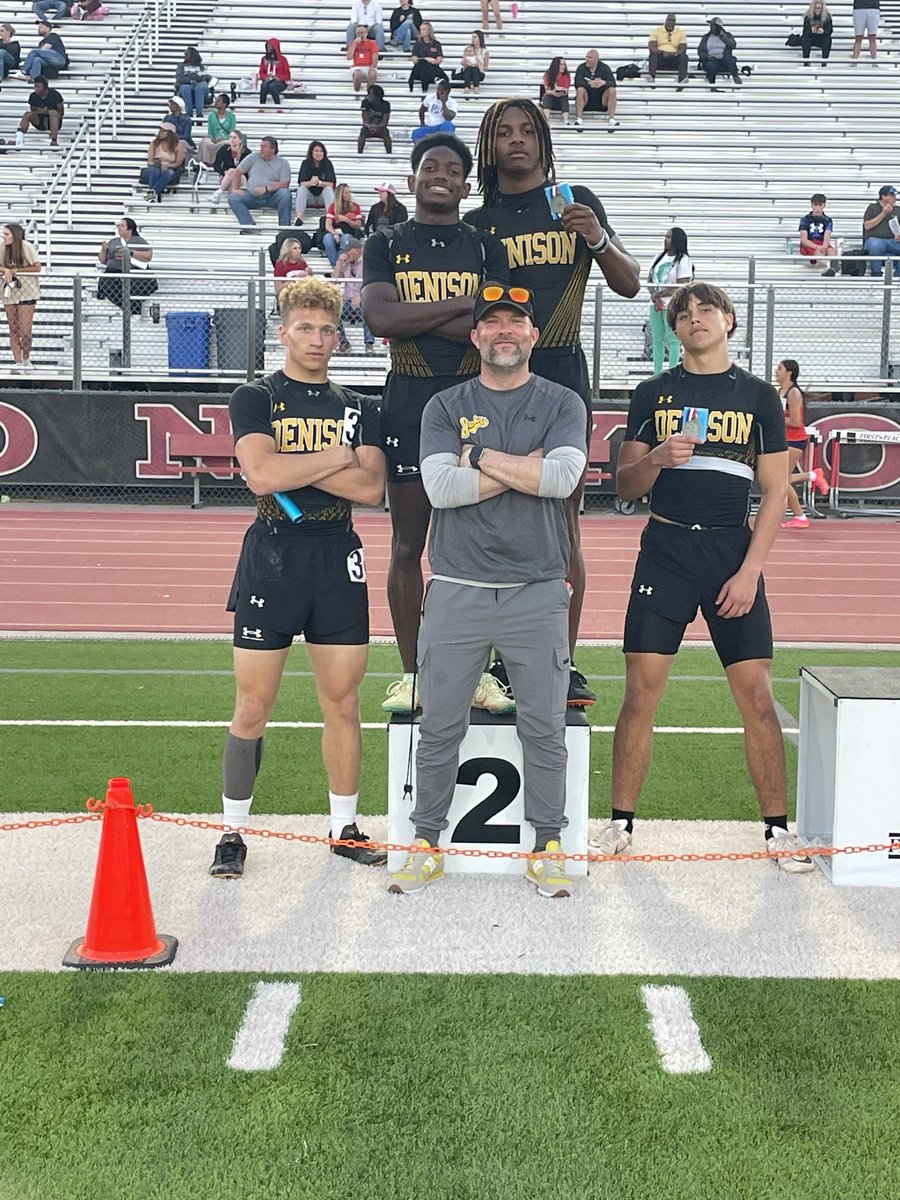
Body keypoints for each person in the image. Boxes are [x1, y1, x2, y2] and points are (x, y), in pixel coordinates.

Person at [598, 281, 813, 874]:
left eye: (706, 309)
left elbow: (775, 491)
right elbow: (623, 485)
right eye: (683, 313)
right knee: (641, 693)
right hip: (663, 551)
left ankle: (776, 830)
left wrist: (749, 571)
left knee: (757, 699)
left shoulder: (759, 397)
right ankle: (620, 823)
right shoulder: (651, 392)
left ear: (729, 320)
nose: (695, 319)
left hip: (729, 556)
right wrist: (654, 459)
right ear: (672, 327)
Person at [386, 282, 587, 897]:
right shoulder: (444, 405)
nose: (505, 331)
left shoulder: (562, 401)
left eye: (516, 323)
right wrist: (517, 463)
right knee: (439, 721)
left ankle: (547, 842)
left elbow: (563, 478)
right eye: (492, 323)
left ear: (533, 335)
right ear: (476, 337)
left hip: (538, 587)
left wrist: (476, 456)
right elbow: (441, 490)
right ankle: (426, 841)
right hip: (456, 586)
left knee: (544, 726)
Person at [209, 276, 387, 880]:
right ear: (283, 332)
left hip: (337, 555)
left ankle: (343, 827)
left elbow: (371, 488)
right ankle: (232, 831)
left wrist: (300, 469)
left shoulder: (361, 406)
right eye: (305, 328)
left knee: (342, 701)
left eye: (327, 329)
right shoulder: (255, 397)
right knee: (253, 703)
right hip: (274, 553)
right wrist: (336, 457)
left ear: (340, 335)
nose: (317, 339)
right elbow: (260, 476)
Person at [467, 98, 641, 705]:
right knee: (490, 520)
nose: (516, 140)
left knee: (561, 526)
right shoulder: (477, 220)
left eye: (527, 131)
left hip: (562, 374)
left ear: (543, 141)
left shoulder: (576, 203)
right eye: (504, 132)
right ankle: (493, 663)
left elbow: (629, 282)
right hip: (493, 379)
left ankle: (560, 663)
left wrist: (597, 238)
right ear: (489, 147)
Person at [361, 134, 509, 713]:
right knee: (406, 546)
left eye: (452, 168)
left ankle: (476, 672)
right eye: (430, 167)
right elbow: (378, 317)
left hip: (479, 407)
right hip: (409, 404)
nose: (440, 174)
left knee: (482, 548)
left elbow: (492, 327)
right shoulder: (386, 241)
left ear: (466, 184)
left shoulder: (483, 245)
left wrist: (415, 317)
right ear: (413, 177)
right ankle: (414, 671)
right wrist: (458, 309)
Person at [776, 358, 827, 529]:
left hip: (795, 440)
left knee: (781, 480)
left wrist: (775, 418)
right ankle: (812, 476)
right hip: (782, 439)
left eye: (779, 369)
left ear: (789, 372)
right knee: (780, 479)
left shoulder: (793, 393)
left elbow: (797, 421)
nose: (776, 371)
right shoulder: (779, 391)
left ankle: (800, 515)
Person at [647, 227, 694, 373]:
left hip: (673, 305)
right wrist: (654, 296)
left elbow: (683, 284)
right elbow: (649, 279)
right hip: (656, 305)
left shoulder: (683, 260)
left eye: (669, 237)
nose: (665, 240)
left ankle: (672, 371)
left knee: (672, 339)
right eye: (665, 236)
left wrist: (661, 294)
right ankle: (657, 372)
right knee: (657, 339)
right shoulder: (659, 257)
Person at [228, 136, 292, 229]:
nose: (261, 149)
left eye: (264, 147)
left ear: (273, 149)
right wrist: (235, 188)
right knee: (233, 197)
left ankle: (284, 228)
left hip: (272, 197)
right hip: (252, 196)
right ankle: (249, 226)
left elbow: (285, 183)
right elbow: (238, 171)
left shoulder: (283, 163)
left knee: (285, 194)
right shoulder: (253, 157)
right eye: (261, 146)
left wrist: (267, 189)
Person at [97, 217, 157, 316]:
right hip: (114, 270)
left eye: (122, 226)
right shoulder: (113, 241)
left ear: (130, 229)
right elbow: (103, 260)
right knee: (106, 283)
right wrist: (104, 249)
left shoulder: (138, 240)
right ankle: (125, 306)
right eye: (119, 226)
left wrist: (130, 253)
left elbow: (148, 256)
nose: (119, 228)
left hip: (133, 270)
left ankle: (133, 308)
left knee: (138, 285)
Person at [2, 222, 41, 373]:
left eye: (6, 234)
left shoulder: (26, 246)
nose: (4, 237)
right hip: (9, 290)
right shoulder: (2, 248)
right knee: (13, 328)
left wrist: (16, 270)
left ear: (15, 235)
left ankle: (26, 357)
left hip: (27, 290)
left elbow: (37, 267)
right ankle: (17, 361)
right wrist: (6, 270)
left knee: (25, 330)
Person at [333, 238, 375, 353]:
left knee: (368, 310)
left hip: (364, 300)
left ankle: (369, 344)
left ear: (357, 251)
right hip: (348, 300)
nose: (344, 253)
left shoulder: (368, 262)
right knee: (333, 312)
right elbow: (334, 280)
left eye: (347, 251)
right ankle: (343, 343)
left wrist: (361, 295)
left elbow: (372, 281)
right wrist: (339, 263)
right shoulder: (346, 263)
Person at [573, 49, 619, 130]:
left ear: (596, 59)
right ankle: (579, 119)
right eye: (586, 57)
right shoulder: (581, 68)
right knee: (580, 90)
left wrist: (603, 82)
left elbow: (613, 83)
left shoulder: (605, 68)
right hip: (586, 100)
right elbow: (577, 83)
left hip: (601, 100)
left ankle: (612, 119)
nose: (587, 59)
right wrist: (590, 83)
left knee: (612, 90)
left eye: (590, 57)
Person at [16, 75, 64, 149]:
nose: (35, 89)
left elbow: (61, 112)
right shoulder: (33, 96)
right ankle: (19, 139)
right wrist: (41, 111)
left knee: (53, 113)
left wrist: (48, 111)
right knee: (27, 114)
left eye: (38, 86)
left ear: (44, 87)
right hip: (40, 121)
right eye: (35, 86)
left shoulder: (55, 94)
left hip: (54, 121)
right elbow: (33, 110)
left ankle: (54, 140)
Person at [862, 185, 900, 277]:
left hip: (893, 240)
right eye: (891, 195)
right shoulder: (872, 208)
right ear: (883, 197)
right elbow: (867, 226)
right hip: (875, 239)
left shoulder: (898, 210)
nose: (894, 198)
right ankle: (876, 273)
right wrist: (884, 213)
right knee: (875, 245)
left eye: (895, 195)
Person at [323, 183, 363, 266]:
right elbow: (328, 225)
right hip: (336, 231)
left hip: (349, 232)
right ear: (341, 195)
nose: (349, 195)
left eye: (350, 192)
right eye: (347, 193)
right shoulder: (333, 207)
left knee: (346, 238)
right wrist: (334, 234)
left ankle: (340, 264)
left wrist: (346, 220)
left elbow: (358, 225)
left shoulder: (356, 207)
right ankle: (336, 264)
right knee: (327, 239)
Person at [295, 140, 337, 219]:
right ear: (311, 152)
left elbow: (331, 184)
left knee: (328, 189)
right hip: (310, 196)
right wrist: (311, 183)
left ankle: (331, 218)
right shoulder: (305, 163)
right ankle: (299, 217)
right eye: (316, 151)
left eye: (321, 151)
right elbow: (301, 183)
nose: (319, 153)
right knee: (301, 189)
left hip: (322, 197)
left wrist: (319, 183)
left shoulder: (327, 164)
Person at [144, 123, 185, 202]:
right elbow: (150, 161)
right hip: (155, 167)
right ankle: (154, 193)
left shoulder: (178, 145)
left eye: (164, 131)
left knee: (169, 173)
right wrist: (159, 165)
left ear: (170, 133)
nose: (160, 133)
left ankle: (152, 192)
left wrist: (168, 165)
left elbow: (178, 163)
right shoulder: (154, 143)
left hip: (170, 169)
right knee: (155, 171)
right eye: (160, 130)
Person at [798, 192, 837, 274]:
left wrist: (824, 247)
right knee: (819, 252)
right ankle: (829, 265)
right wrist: (817, 247)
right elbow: (804, 240)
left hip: (821, 242)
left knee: (831, 251)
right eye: (815, 205)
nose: (818, 208)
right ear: (812, 205)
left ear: (824, 205)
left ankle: (833, 265)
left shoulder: (828, 220)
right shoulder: (805, 220)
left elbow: (827, 236)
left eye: (820, 205)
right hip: (810, 243)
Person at [699, 17, 741, 89]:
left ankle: (736, 77)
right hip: (710, 60)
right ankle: (712, 86)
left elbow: (733, 45)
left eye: (713, 25)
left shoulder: (727, 35)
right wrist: (706, 57)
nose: (711, 27)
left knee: (731, 59)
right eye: (711, 25)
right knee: (711, 64)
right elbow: (700, 50)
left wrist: (723, 36)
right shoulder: (706, 37)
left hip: (724, 60)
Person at [210, 128, 249, 205]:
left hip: (242, 177)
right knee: (231, 175)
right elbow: (216, 165)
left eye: (234, 137)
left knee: (232, 171)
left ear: (240, 140)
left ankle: (219, 193)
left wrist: (235, 173)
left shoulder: (246, 152)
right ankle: (233, 203)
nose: (232, 139)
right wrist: (223, 172)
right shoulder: (224, 149)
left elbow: (248, 169)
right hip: (226, 177)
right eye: (230, 137)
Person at [273, 238, 313, 312]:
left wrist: (310, 275)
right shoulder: (281, 265)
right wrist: (294, 279)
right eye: (295, 249)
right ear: (288, 250)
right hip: (288, 298)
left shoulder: (302, 263)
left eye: (299, 248)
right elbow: (278, 289)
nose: (298, 251)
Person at [648, 13, 688, 85]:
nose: (671, 23)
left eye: (673, 21)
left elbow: (683, 48)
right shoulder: (656, 31)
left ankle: (681, 81)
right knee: (653, 55)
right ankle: (651, 77)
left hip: (673, 58)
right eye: (669, 20)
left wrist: (674, 54)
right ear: (666, 21)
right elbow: (652, 47)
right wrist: (662, 52)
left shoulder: (681, 32)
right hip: (660, 58)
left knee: (684, 56)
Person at [197, 93, 235, 166]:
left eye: (218, 101)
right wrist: (213, 138)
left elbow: (232, 132)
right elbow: (210, 131)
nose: (216, 102)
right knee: (205, 142)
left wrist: (222, 139)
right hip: (214, 139)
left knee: (226, 144)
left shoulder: (231, 116)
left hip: (225, 139)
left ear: (224, 104)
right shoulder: (211, 116)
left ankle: (219, 162)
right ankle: (206, 163)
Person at [408, 22, 447, 93]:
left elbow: (439, 59)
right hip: (419, 69)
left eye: (424, 29)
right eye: (420, 29)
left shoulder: (436, 44)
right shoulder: (417, 44)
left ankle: (426, 88)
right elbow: (414, 59)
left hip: (432, 67)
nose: (421, 31)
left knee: (428, 67)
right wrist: (426, 59)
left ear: (429, 31)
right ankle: (427, 87)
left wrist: (432, 61)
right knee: (424, 64)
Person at [175, 45, 211, 117]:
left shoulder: (201, 66)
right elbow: (180, 77)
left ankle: (199, 114)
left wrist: (192, 78)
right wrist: (192, 80)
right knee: (186, 88)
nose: (185, 56)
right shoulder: (181, 66)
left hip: (199, 86)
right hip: (187, 85)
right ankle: (189, 114)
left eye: (187, 54)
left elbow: (205, 76)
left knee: (199, 88)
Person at [358, 83, 392, 154]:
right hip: (368, 127)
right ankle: (359, 154)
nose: (369, 96)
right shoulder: (365, 102)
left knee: (386, 132)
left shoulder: (385, 105)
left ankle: (389, 155)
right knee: (363, 131)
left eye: (371, 94)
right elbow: (364, 119)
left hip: (380, 128)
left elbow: (385, 122)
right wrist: (369, 126)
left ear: (377, 96)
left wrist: (376, 127)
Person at [258, 37, 291, 107]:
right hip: (268, 81)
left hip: (280, 83)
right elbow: (261, 72)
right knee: (264, 85)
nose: (268, 48)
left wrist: (278, 78)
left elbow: (287, 75)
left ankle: (278, 106)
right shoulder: (264, 59)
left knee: (272, 86)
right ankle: (262, 106)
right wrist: (265, 77)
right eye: (267, 46)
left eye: (270, 46)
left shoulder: (283, 59)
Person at [347, 23, 379, 93]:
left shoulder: (372, 43)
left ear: (366, 33)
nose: (361, 35)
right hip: (357, 66)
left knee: (372, 73)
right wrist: (355, 44)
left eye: (362, 33)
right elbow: (349, 57)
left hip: (369, 66)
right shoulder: (353, 43)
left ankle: (369, 93)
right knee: (358, 74)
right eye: (358, 33)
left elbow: (375, 58)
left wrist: (372, 67)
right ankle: (356, 92)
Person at [457, 29, 489, 95]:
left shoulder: (485, 51)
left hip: (478, 72)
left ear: (480, 38)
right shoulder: (468, 49)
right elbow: (463, 62)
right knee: (469, 68)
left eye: (475, 37)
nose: (473, 39)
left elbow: (486, 67)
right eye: (472, 37)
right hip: (467, 71)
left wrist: (479, 66)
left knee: (474, 69)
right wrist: (466, 63)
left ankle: (475, 87)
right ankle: (467, 87)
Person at [541, 56, 571, 125]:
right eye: (561, 64)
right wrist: (555, 92)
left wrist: (558, 90)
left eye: (564, 64)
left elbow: (566, 90)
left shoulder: (566, 76)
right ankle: (545, 120)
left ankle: (566, 120)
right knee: (548, 96)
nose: (563, 67)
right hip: (550, 96)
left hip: (560, 98)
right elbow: (547, 90)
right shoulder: (548, 74)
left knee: (564, 98)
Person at [801, 1, 832, 66]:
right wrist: (811, 30)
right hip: (811, 37)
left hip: (821, 38)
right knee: (805, 38)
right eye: (816, 8)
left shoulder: (827, 17)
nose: (818, 10)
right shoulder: (808, 17)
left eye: (820, 8)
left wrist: (823, 31)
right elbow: (805, 31)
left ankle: (824, 62)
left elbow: (830, 31)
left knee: (828, 39)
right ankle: (806, 61)